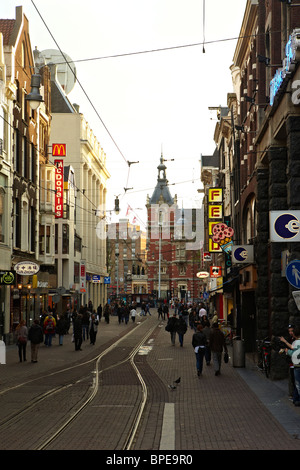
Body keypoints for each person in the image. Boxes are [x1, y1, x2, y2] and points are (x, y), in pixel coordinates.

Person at [285, 325, 300, 406]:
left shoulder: (296, 342)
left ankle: (296, 399)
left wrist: (287, 351)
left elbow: (294, 353)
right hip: (296, 365)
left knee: (297, 383)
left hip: (297, 366)